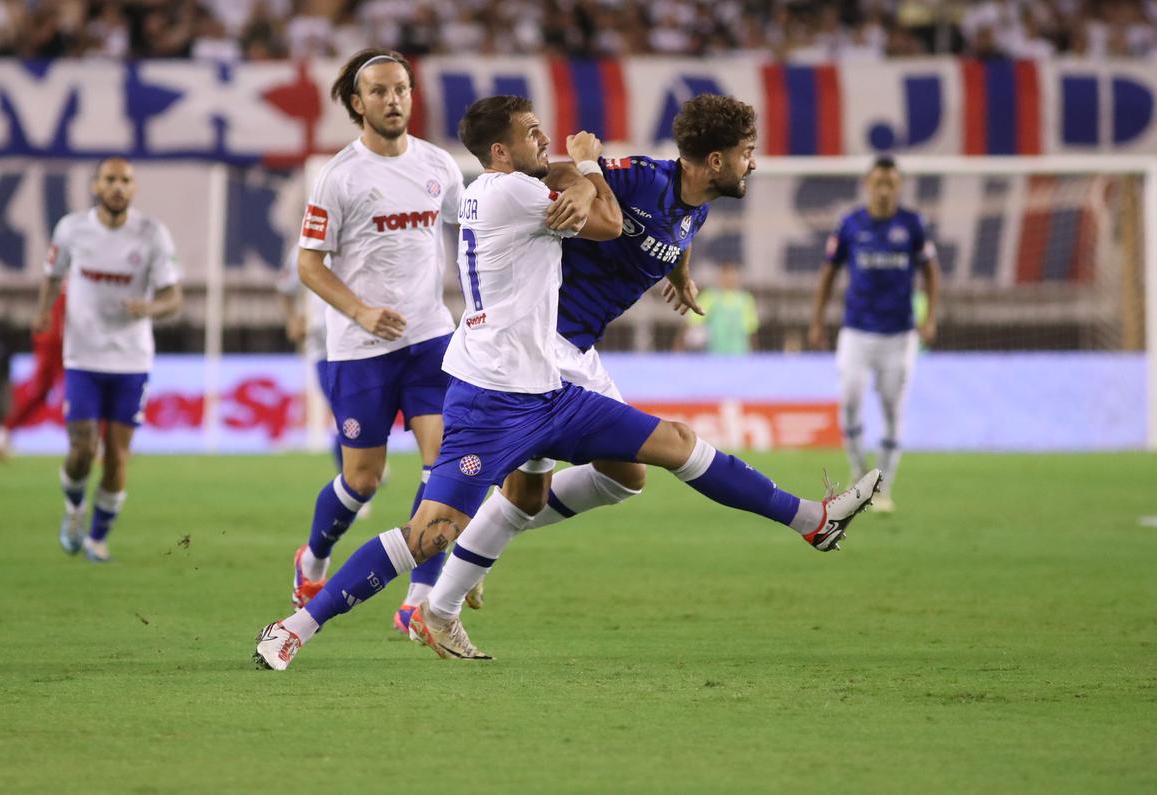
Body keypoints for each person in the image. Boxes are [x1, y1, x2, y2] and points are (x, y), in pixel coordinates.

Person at [254, 96, 881, 670]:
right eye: (532, 134)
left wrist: (680, 272)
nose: (546, 142)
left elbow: (667, 227)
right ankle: (302, 625)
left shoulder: (657, 199)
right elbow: (603, 218)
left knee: (655, 455)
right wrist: (588, 167)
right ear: (501, 153)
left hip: (554, 383)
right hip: (511, 381)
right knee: (429, 534)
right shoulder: (530, 191)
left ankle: (810, 520)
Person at [416, 94, 760, 656]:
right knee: (625, 471)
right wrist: (586, 169)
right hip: (547, 348)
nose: (754, 163)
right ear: (714, 160)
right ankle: (413, 597)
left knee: (564, 489)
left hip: (569, 348)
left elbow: (679, 229)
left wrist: (683, 275)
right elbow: (594, 204)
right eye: (747, 152)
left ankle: (459, 570)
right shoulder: (629, 177)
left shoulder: (698, 197)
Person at [288, 48, 466, 634]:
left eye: (402, 89)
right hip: (361, 349)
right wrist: (360, 311)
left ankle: (418, 598)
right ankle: (313, 557)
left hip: (429, 340)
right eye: (381, 92)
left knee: (444, 466)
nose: (394, 100)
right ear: (357, 104)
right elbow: (308, 264)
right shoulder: (338, 177)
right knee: (362, 480)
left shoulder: (439, 165)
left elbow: (470, 239)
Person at [35, 157, 182, 562]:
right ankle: (74, 509)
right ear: (95, 187)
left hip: (131, 361)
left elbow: (173, 297)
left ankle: (98, 539)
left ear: (134, 189)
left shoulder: (152, 234)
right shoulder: (72, 229)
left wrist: (148, 308)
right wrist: (44, 311)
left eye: (126, 181)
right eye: (110, 179)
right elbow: (51, 275)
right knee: (82, 448)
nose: (118, 186)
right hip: (82, 357)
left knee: (117, 456)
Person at [807, 155, 940, 514]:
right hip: (856, 332)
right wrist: (817, 320)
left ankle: (882, 488)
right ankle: (859, 470)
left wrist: (930, 317)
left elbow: (930, 272)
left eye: (891, 184)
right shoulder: (850, 225)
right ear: (868, 185)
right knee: (849, 402)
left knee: (892, 409)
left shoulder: (912, 225)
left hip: (899, 335)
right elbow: (828, 273)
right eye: (878, 183)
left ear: (899, 187)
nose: (884, 190)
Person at [0, 291, 67, 462]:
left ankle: (1, 434)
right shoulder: (75, 280)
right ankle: (2, 433)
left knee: (43, 391)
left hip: (62, 336)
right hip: (58, 337)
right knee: (42, 390)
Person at [680, 260, 759, 354]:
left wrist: (754, 355)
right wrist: (679, 349)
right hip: (714, 357)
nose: (729, 278)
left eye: (732, 274)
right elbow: (690, 323)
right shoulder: (709, 297)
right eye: (726, 275)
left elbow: (751, 332)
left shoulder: (745, 300)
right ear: (720, 277)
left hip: (740, 355)